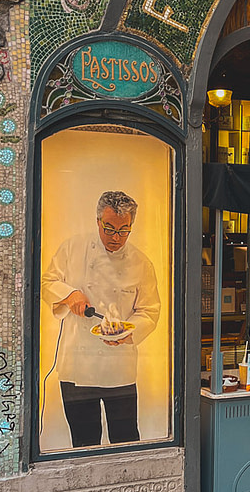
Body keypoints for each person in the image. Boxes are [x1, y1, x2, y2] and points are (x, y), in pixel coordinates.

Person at [42, 190, 161, 447]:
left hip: (119, 366)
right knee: (84, 442)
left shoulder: (141, 263)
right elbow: (47, 282)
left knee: (126, 439)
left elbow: (149, 310)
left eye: (124, 230)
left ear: (131, 226)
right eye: (109, 229)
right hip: (77, 365)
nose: (116, 238)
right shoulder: (72, 248)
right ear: (98, 221)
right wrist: (69, 294)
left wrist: (130, 333)